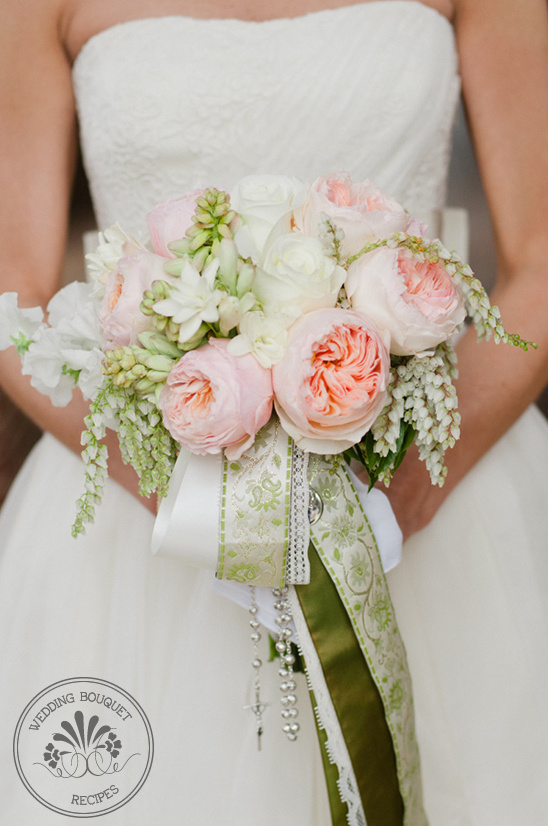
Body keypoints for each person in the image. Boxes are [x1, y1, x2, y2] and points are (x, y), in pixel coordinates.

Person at [1, 0, 548, 823]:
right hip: (139, 507)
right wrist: (184, 495)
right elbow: (12, 293)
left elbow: (542, 253)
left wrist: (420, 483)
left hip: (427, 494)